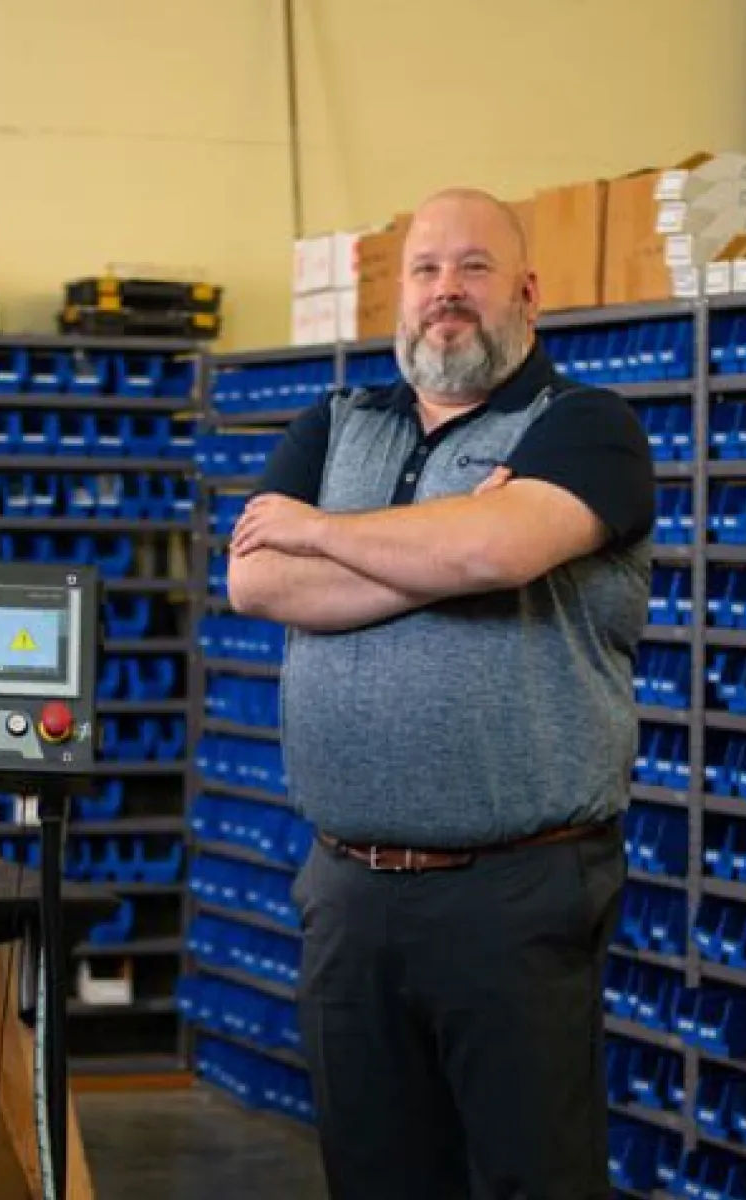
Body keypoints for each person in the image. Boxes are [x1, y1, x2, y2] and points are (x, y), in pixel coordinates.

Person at [227, 186, 656, 1200]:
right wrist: (445, 544)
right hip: (348, 887)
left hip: (511, 890)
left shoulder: (585, 427)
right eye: (425, 270)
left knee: (529, 1179)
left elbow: (497, 550)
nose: (444, 291)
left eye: (472, 267)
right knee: (374, 1177)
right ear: (400, 299)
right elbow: (254, 579)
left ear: (527, 292)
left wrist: (323, 533)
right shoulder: (335, 423)